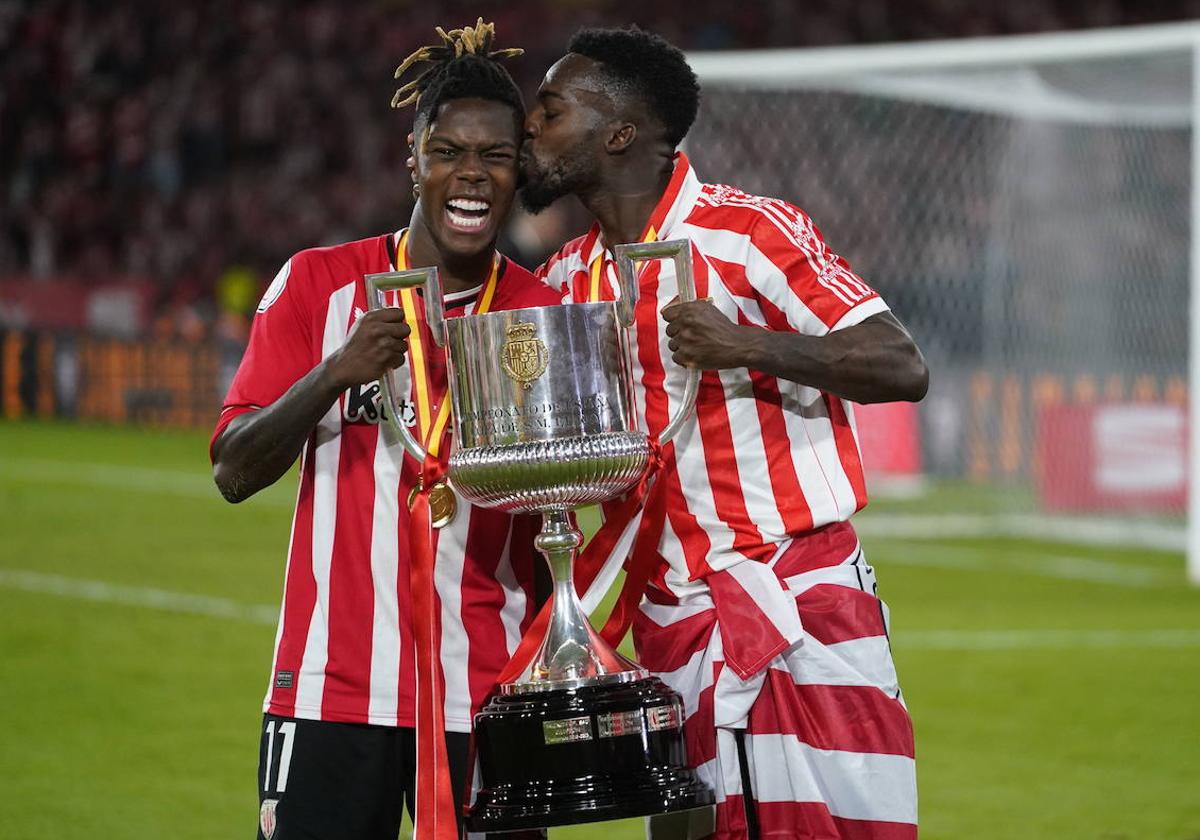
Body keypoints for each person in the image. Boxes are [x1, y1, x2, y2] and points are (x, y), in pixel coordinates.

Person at [522, 26, 929, 840]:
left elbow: (899, 364)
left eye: (552, 108)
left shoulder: (752, 233)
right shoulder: (567, 279)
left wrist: (750, 344)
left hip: (798, 608)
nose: (531, 126)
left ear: (621, 132)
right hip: (668, 625)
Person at [210, 21, 558, 840]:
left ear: (518, 172)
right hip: (333, 694)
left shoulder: (544, 319)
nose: (471, 174)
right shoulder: (317, 283)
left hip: (488, 700)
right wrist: (332, 373)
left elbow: (563, 525)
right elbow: (232, 470)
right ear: (414, 159)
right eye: (448, 151)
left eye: (496, 156)